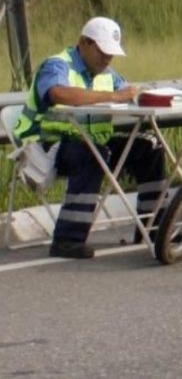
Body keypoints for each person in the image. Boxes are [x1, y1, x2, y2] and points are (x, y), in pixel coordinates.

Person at [13, 18, 165, 259]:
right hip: (51, 146)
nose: (107, 59)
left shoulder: (108, 74)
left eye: (111, 54)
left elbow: (128, 91)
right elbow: (57, 93)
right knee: (91, 154)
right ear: (84, 43)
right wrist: (115, 97)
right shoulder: (57, 66)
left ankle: (154, 227)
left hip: (94, 142)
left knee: (150, 147)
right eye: (102, 52)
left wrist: (142, 94)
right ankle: (67, 239)